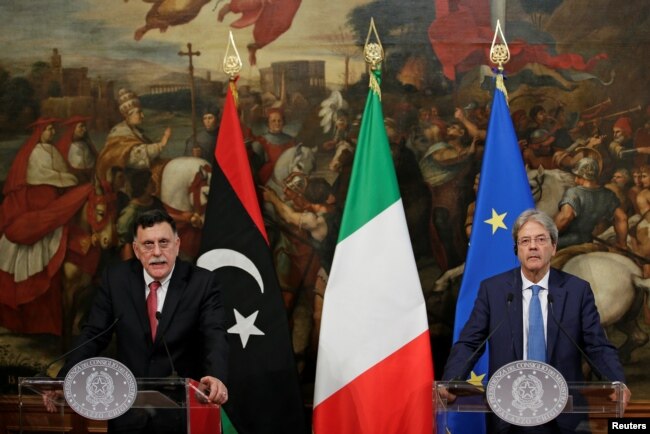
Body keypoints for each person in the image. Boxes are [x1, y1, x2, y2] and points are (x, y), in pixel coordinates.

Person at [442, 209, 631, 433]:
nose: (533, 246)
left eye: (541, 240)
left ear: (554, 247)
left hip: (565, 416)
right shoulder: (493, 290)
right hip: (508, 414)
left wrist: (616, 381)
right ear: (517, 250)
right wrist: (452, 379)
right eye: (525, 241)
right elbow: (470, 343)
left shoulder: (577, 291)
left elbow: (596, 345)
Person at [45, 209, 229, 433]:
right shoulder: (116, 279)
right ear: (136, 249)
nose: (157, 252)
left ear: (177, 245)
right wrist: (66, 379)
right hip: (127, 413)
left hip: (180, 415)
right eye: (148, 244)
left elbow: (215, 334)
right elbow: (93, 334)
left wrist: (216, 376)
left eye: (164, 242)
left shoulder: (201, 282)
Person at [555, 157, 628, 249]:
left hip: (567, 242)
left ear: (581, 176)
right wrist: (622, 244)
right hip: (588, 240)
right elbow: (622, 218)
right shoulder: (608, 194)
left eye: (577, 176)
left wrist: (547, 236)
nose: (575, 180)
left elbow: (565, 217)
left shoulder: (574, 192)